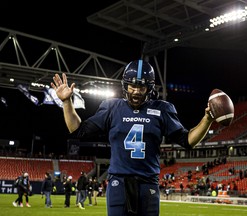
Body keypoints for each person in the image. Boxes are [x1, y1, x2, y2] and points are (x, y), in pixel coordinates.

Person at [51, 59, 215, 216]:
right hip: (119, 182)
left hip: (148, 183)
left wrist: (207, 119)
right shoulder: (112, 107)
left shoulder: (162, 109)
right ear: (125, 85)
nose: (136, 91)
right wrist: (66, 102)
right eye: (132, 86)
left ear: (149, 88)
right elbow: (77, 130)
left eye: (141, 87)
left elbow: (188, 141)